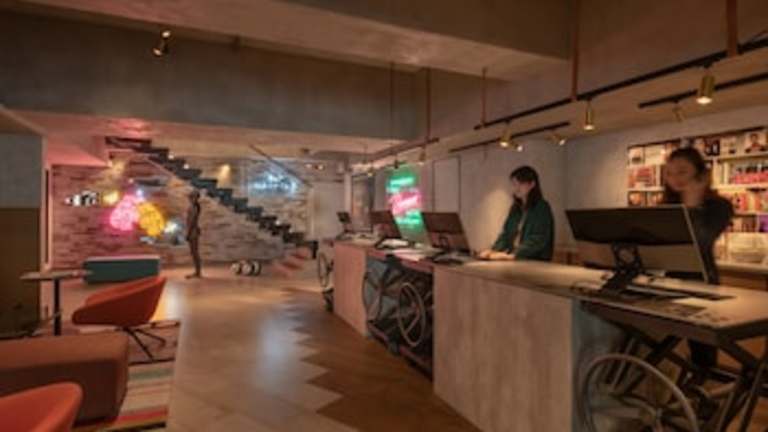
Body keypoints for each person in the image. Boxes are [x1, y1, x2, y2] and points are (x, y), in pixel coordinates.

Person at [661, 147, 733, 376]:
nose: (675, 178)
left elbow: (702, 242)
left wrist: (692, 207)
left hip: (703, 284)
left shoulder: (719, 206)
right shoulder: (665, 208)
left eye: (682, 171)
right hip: (668, 284)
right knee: (663, 348)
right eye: (670, 173)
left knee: (703, 353)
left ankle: (701, 393)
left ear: (701, 174)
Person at [478, 165, 554, 261]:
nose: (516, 188)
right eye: (514, 184)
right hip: (517, 259)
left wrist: (513, 255)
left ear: (532, 184)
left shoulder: (542, 207)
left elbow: (538, 239)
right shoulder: (516, 209)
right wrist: (492, 251)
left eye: (521, 183)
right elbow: (506, 234)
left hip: (535, 261)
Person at [186, 189, 203, 278]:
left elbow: (192, 221)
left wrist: (188, 233)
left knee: (195, 252)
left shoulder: (194, 208)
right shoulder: (193, 206)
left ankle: (198, 272)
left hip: (193, 232)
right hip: (193, 231)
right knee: (194, 252)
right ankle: (197, 271)